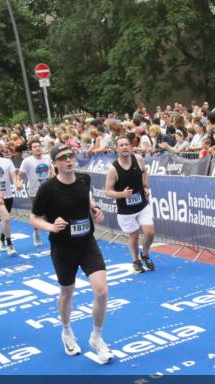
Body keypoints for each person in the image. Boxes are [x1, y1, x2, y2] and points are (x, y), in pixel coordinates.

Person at [29, 145, 113, 364]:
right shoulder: (47, 189)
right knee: (67, 292)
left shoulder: (84, 179)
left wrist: (94, 209)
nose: (68, 160)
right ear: (55, 163)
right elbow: (34, 218)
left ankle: (96, 337)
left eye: (71, 156)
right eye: (63, 157)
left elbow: (86, 197)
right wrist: (50, 226)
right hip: (63, 247)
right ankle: (66, 331)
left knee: (102, 291)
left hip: (87, 243)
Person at [105, 136, 156, 274]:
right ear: (117, 149)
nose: (125, 147)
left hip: (142, 205)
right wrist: (123, 194)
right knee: (133, 236)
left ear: (131, 147)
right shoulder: (113, 169)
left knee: (149, 233)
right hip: (125, 210)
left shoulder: (138, 159)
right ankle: (136, 261)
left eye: (127, 144)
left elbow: (144, 171)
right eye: (121, 145)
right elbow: (107, 191)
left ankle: (144, 255)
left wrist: (146, 186)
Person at [16, 140, 53, 246]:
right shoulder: (27, 161)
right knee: (37, 215)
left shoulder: (47, 158)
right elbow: (19, 176)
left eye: (39, 146)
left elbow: (51, 168)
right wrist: (18, 182)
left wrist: (52, 172)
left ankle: (53, 236)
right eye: (34, 147)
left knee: (51, 213)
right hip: (34, 191)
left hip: (48, 190)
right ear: (31, 150)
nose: (37, 148)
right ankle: (36, 232)